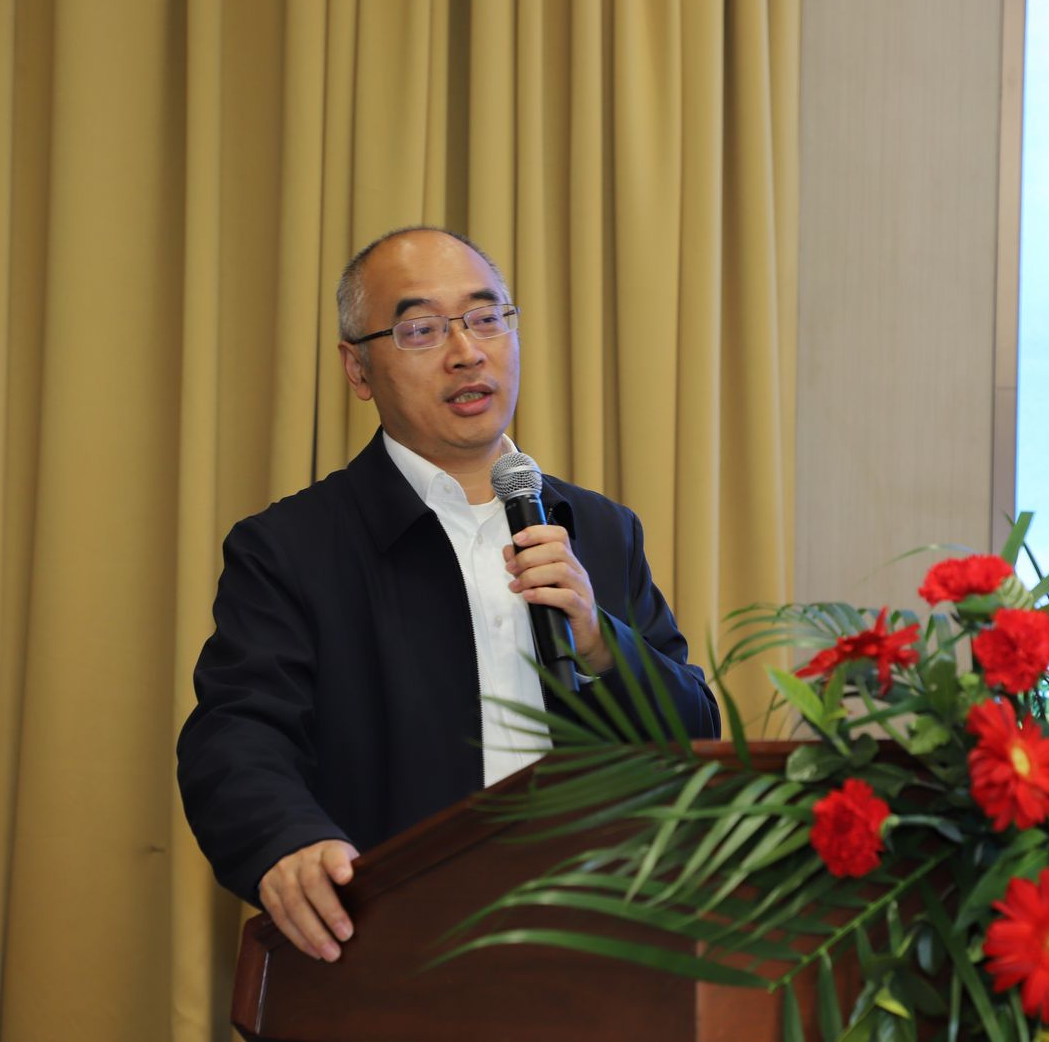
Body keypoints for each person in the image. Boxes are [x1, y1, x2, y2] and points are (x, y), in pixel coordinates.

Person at [176, 226, 719, 964]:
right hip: (391, 954)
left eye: (486, 317)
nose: (467, 351)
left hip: (594, 958)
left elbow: (695, 738)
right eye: (421, 329)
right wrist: (288, 841)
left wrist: (602, 644)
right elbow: (238, 735)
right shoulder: (292, 548)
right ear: (358, 368)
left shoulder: (596, 528)